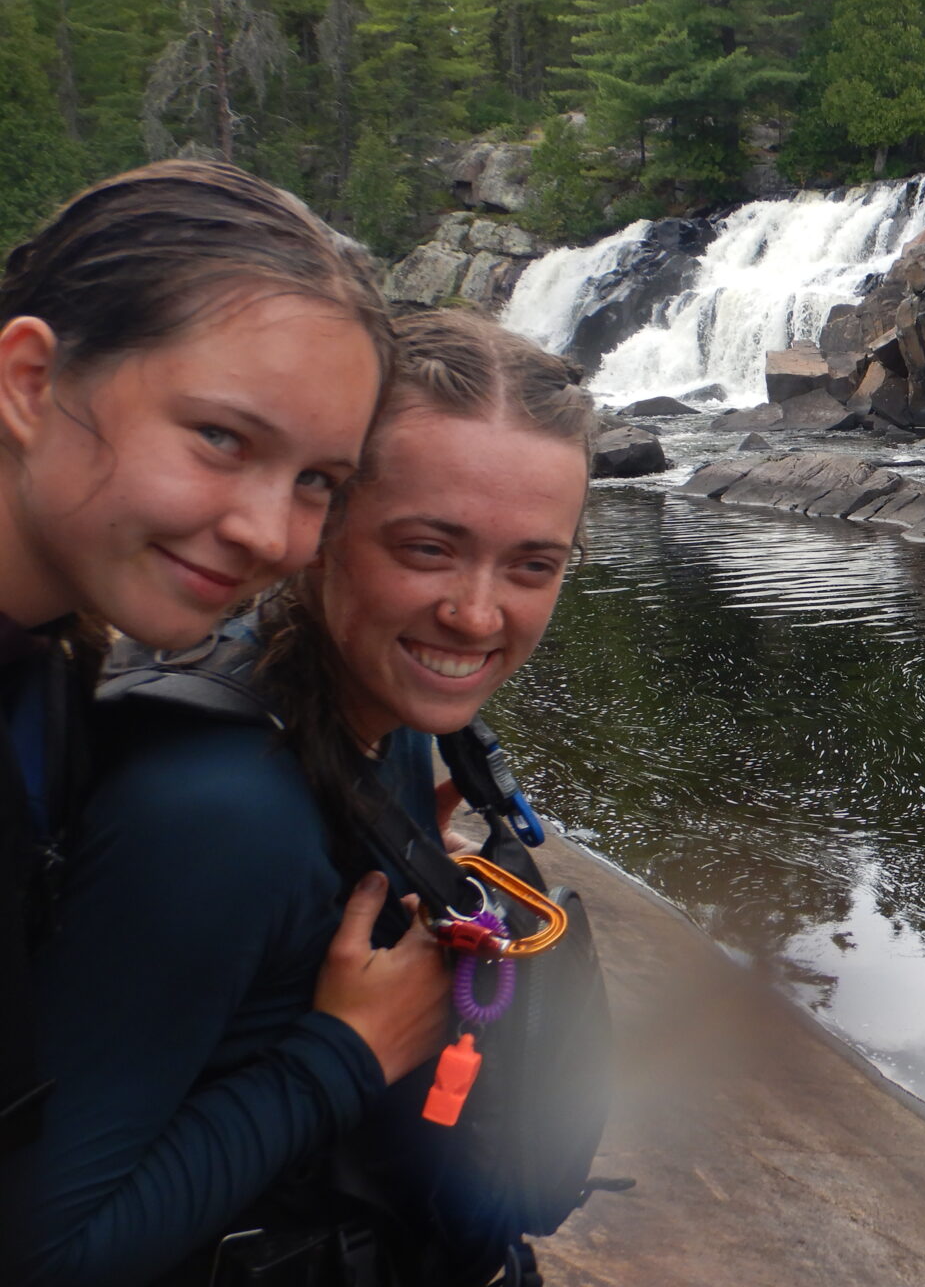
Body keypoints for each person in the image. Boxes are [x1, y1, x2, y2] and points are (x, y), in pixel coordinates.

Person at [21, 309, 597, 1284]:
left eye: (532, 564)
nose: (479, 611)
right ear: (321, 529)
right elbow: (37, 1254)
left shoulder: (391, 714)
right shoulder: (217, 816)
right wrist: (347, 1053)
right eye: (428, 547)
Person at [0, 166, 450, 1279]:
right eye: (218, 437)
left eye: (316, 483)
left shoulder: (50, 654)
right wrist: (340, 1056)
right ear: (28, 379)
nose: (268, 533)